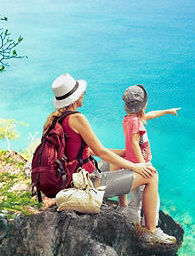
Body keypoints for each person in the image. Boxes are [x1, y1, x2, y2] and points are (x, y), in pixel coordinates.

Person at [42, 73, 177, 245]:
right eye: (81, 93)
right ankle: (150, 232)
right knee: (151, 175)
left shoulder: (56, 121)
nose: (84, 95)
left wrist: (124, 156)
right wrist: (136, 167)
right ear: (75, 98)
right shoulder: (77, 118)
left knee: (116, 161)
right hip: (85, 184)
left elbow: (91, 151)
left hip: (71, 178)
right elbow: (102, 152)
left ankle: (124, 208)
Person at [118, 84, 179, 229]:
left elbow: (150, 115)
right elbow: (134, 143)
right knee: (152, 202)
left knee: (134, 202)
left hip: (130, 165)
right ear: (142, 105)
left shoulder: (129, 119)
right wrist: (143, 165)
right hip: (140, 167)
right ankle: (148, 229)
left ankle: (132, 226)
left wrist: (167, 111)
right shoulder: (136, 122)